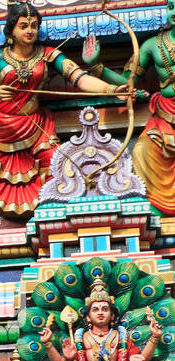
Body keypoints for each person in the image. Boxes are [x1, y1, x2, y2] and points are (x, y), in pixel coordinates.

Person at [0, 3, 131, 240]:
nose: (29, 31)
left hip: (36, 127)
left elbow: (80, 78)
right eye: (23, 26)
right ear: (11, 32)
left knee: (63, 167)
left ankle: (79, 216)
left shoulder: (48, 54)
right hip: (0, 128)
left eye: (34, 26)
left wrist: (111, 90)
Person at [85, 0, 175, 213]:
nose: (174, 12)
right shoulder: (152, 45)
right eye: (171, 6)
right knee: (142, 150)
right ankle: (157, 205)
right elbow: (127, 83)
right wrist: (96, 66)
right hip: (165, 116)